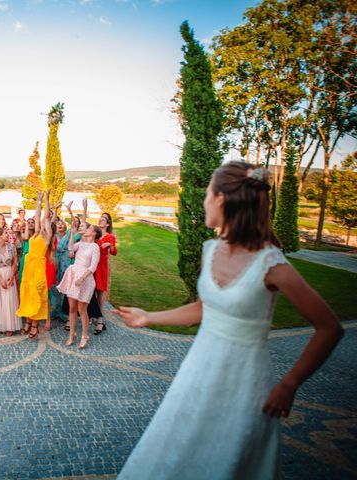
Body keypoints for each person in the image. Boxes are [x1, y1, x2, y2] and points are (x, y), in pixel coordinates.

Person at [114, 162, 344, 479]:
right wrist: (148, 317)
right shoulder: (210, 250)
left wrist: (289, 385)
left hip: (245, 383)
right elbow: (204, 308)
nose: (204, 200)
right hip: (197, 373)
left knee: (228, 460)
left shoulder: (271, 263)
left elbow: (329, 328)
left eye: (207, 193)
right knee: (178, 447)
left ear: (220, 199)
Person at [56, 220, 101, 349]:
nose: (86, 229)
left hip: (85, 279)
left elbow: (93, 267)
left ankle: (84, 335)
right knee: (72, 308)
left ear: (93, 233)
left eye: (89, 228)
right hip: (73, 274)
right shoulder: (80, 244)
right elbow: (70, 248)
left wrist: (82, 279)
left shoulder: (95, 247)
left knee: (82, 310)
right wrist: (72, 233)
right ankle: (72, 334)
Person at [16, 191, 53, 339]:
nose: (41, 222)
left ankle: (35, 324)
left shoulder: (47, 235)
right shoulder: (36, 233)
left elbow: (46, 217)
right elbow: (38, 217)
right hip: (28, 267)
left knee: (38, 293)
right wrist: (38, 201)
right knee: (29, 294)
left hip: (38, 267)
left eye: (44, 222)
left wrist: (47, 199)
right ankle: (30, 321)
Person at [0, 227, 21, 335]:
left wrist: (12, 276)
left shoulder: (12, 247)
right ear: (0, 235)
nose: (9, 235)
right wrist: (1, 280)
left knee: (9, 300)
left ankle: (9, 326)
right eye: (6, 233)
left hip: (9, 273)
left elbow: (15, 263)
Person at [93, 212, 117, 334]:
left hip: (102, 266)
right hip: (92, 265)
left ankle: (100, 320)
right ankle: (92, 314)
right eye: (100, 218)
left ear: (107, 223)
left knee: (100, 293)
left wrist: (110, 245)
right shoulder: (95, 234)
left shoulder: (110, 237)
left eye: (103, 219)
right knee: (92, 291)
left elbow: (114, 252)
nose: (100, 220)